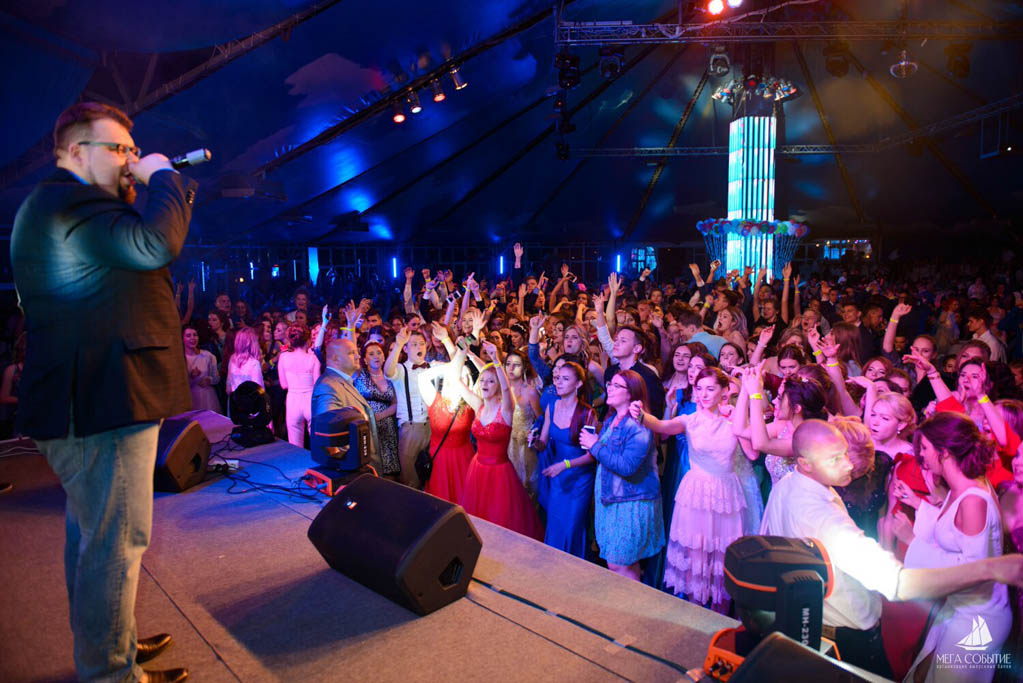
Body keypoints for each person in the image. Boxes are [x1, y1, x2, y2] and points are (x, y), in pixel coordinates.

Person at [11, 102, 192, 682]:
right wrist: (165, 177)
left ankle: (111, 648)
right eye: (118, 149)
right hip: (102, 400)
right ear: (74, 151)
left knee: (91, 537)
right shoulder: (70, 201)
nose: (129, 160)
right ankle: (110, 673)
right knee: (115, 543)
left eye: (133, 151)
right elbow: (155, 244)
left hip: (93, 397)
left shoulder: (63, 205)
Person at [760, 420, 1023, 679]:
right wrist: (989, 568)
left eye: (845, 454)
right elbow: (897, 583)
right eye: (835, 459)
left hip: (820, 621)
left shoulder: (787, 485)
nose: (849, 465)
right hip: (846, 634)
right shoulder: (825, 521)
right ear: (805, 464)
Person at [635, 366, 757, 613]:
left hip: (725, 495)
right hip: (696, 494)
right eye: (699, 389)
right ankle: (695, 615)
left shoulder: (733, 421)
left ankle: (721, 618)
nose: (703, 394)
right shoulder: (689, 420)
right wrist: (641, 416)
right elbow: (661, 426)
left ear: (724, 391)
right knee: (696, 557)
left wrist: (739, 414)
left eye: (710, 389)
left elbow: (753, 454)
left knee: (723, 556)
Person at [903, 412, 1012, 682]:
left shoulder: (973, 500)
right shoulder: (956, 490)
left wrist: (911, 541)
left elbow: (974, 570)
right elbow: (950, 534)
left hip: (979, 616)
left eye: (925, 448)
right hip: (959, 606)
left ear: (944, 452)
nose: (921, 456)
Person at [581, 369, 664, 581]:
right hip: (612, 500)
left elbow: (627, 467)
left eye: (616, 386)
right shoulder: (612, 420)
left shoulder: (638, 424)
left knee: (620, 564)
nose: (609, 388)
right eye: (610, 384)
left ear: (631, 393)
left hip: (631, 502)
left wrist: (595, 445)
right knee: (619, 564)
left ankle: (633, 601)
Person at [456, 341, 543, 539]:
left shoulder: (506, 409)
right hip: (477, 469)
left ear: (498, 386)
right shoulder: (478, 405)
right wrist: (461, 352)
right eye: (483, 381)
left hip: (499, 473)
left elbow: (506, 390)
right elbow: (456, 381)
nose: (485, 384)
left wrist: (496, 360)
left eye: (491, 381)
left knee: (500, 523)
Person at [531, 361, 597, 558]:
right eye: (558, 378)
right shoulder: (551, 406)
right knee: (555, 525)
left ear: (578, 384)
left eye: (565, 379)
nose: (558, 383)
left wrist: (566, 464)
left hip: (579, 479)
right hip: (558, 477)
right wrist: (533, 440)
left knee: (571, 527)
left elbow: (591, 455)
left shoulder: (587, 413)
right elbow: (543, 443)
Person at [417, 325, 476, 503]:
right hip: (440, 461)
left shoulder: (471, 402)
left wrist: (471, 336)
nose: (458, 380)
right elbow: (422, 377)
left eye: (463, 378)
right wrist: (448, 367)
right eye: (454, 377)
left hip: (465, 460)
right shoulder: (434, 399)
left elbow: (462, 355)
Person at [311, 339, 379, 468]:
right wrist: (347, 464)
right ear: (336, 358)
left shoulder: (341, 380)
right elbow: (327, 435)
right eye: (351, 353)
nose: (358, 356)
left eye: (357, 352)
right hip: (353, 468)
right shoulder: (328, 386)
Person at [384, 326, 433, 489]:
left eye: (422, 343)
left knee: (430, 473)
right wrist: (398, 344)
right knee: (409, 477)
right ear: (406, 349)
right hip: (410, 428)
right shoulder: (401, 369)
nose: (419, 347)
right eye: (414, 344)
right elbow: (388, 372)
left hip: (432, 426)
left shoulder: (432, 367)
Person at [352, 341, 399, 477]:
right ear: (365, 359)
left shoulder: (391, 376)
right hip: (366, 426)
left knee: (390, 468)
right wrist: (351, 327)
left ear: (384, 357)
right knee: (370, 468)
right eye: (371, 354)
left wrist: (379, 416)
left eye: (379, 353)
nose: (376, 356)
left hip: (387, 427)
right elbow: (352, 350)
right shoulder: (360, 375)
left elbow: (396, 404)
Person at [278, 324, 321, 448]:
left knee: (295, 446)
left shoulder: (283, 357)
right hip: (310, 400)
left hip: (293, 400)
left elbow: (284, 385)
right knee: (317, 443)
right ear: (307, 340)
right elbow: (317, 384)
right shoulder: (313, 359)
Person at [183, 325, 220, 413]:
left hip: (207, 396)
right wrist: (191, 376)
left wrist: (209, 380)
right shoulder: (181, 358)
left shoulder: (208, 356)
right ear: (182, 339)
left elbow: (216, 378)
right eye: (188, 335)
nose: (192, 338)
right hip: (189, 398)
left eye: (195, 335)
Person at [225, 327, 264, 396]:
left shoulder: (232, 358)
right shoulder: (254, 363)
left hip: (235, 398)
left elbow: (228, 387)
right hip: (249, 400)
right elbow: (259, 388)